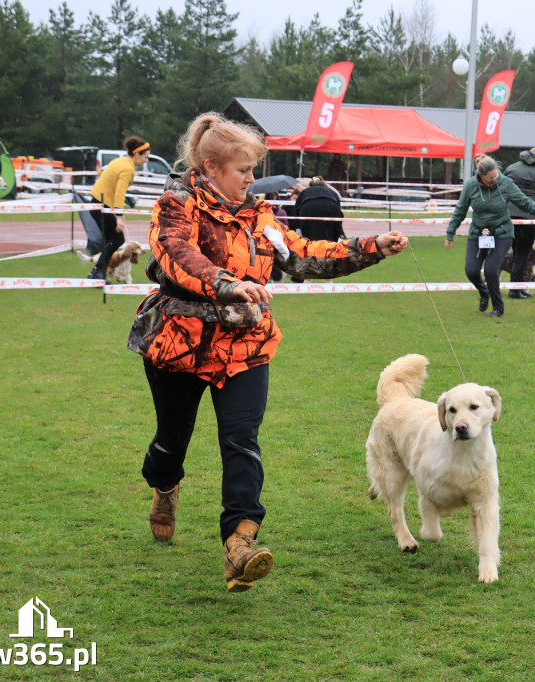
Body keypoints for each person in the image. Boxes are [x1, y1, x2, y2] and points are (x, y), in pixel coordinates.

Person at [126, 112, 408, 593]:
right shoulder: (176, 204)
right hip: (182, 345)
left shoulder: (260, 215)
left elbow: (303, 255)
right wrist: (226, 283)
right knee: (172, 441)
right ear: (212, 167)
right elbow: (176, 255)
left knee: (242, 441)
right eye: (244, 171)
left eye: (254, 170)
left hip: (246, 347)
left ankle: (240, 541)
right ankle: (165, 484)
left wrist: (370, 246)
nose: (252, 180)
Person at [445, 155, 535, 318]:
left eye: (496, 175)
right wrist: (450, 232)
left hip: (502, 233)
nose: (495, 179)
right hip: (479, 233)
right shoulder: (470, 186)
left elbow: (525, 202)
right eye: (491, 178)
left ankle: (498, 308)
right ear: (481, 175)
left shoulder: (505, 183)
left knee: (491, 269)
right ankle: (484, 293)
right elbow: (460, 210)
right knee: (472, 271)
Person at [86, 136, 151, 281]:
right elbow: (119, 193)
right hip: (101, 205)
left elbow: (101, 172)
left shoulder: (119, 161)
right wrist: (119, 217)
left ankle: (99, 272)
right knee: (117, 239)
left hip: (97, 202)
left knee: (113, 240)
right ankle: (97, 271)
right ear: (136, 154)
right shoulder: (128, 168)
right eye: (145, 157)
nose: (146, 160)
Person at [504, 147, 535, 299]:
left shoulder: (511, 168)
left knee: (507, 252)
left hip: (507, 216)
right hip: (528, 217)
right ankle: (515, 289)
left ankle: (505, 287)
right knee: (522, 254)